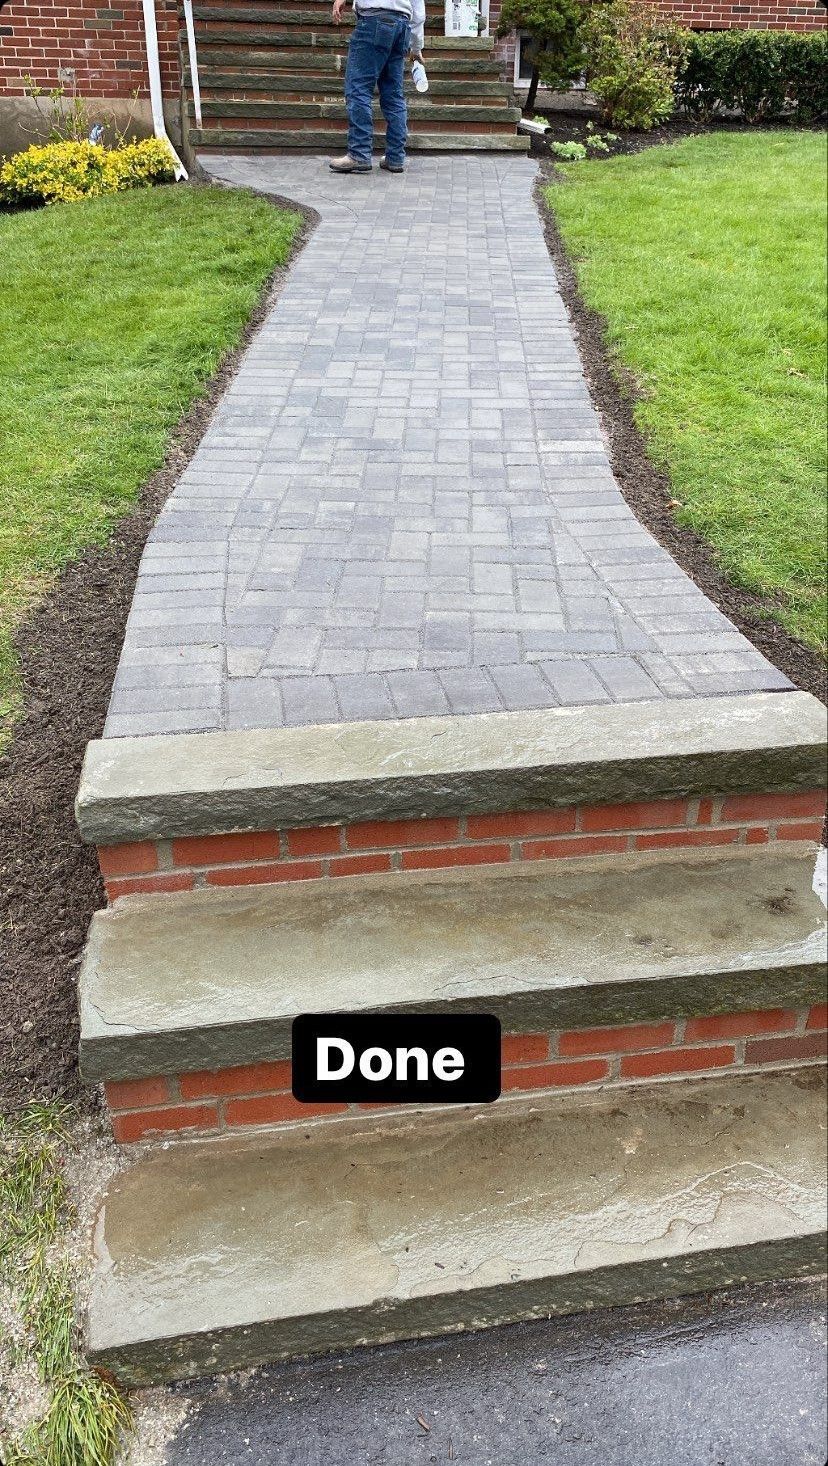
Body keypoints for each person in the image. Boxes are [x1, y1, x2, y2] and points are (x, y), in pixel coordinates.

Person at [329, 0, 425, 174]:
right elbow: (418, 11)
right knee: (394, 95)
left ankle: (359, 154)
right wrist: (417, 47)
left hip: (373, 21)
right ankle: (395, 157)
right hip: (402, 26)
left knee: (358, 89)